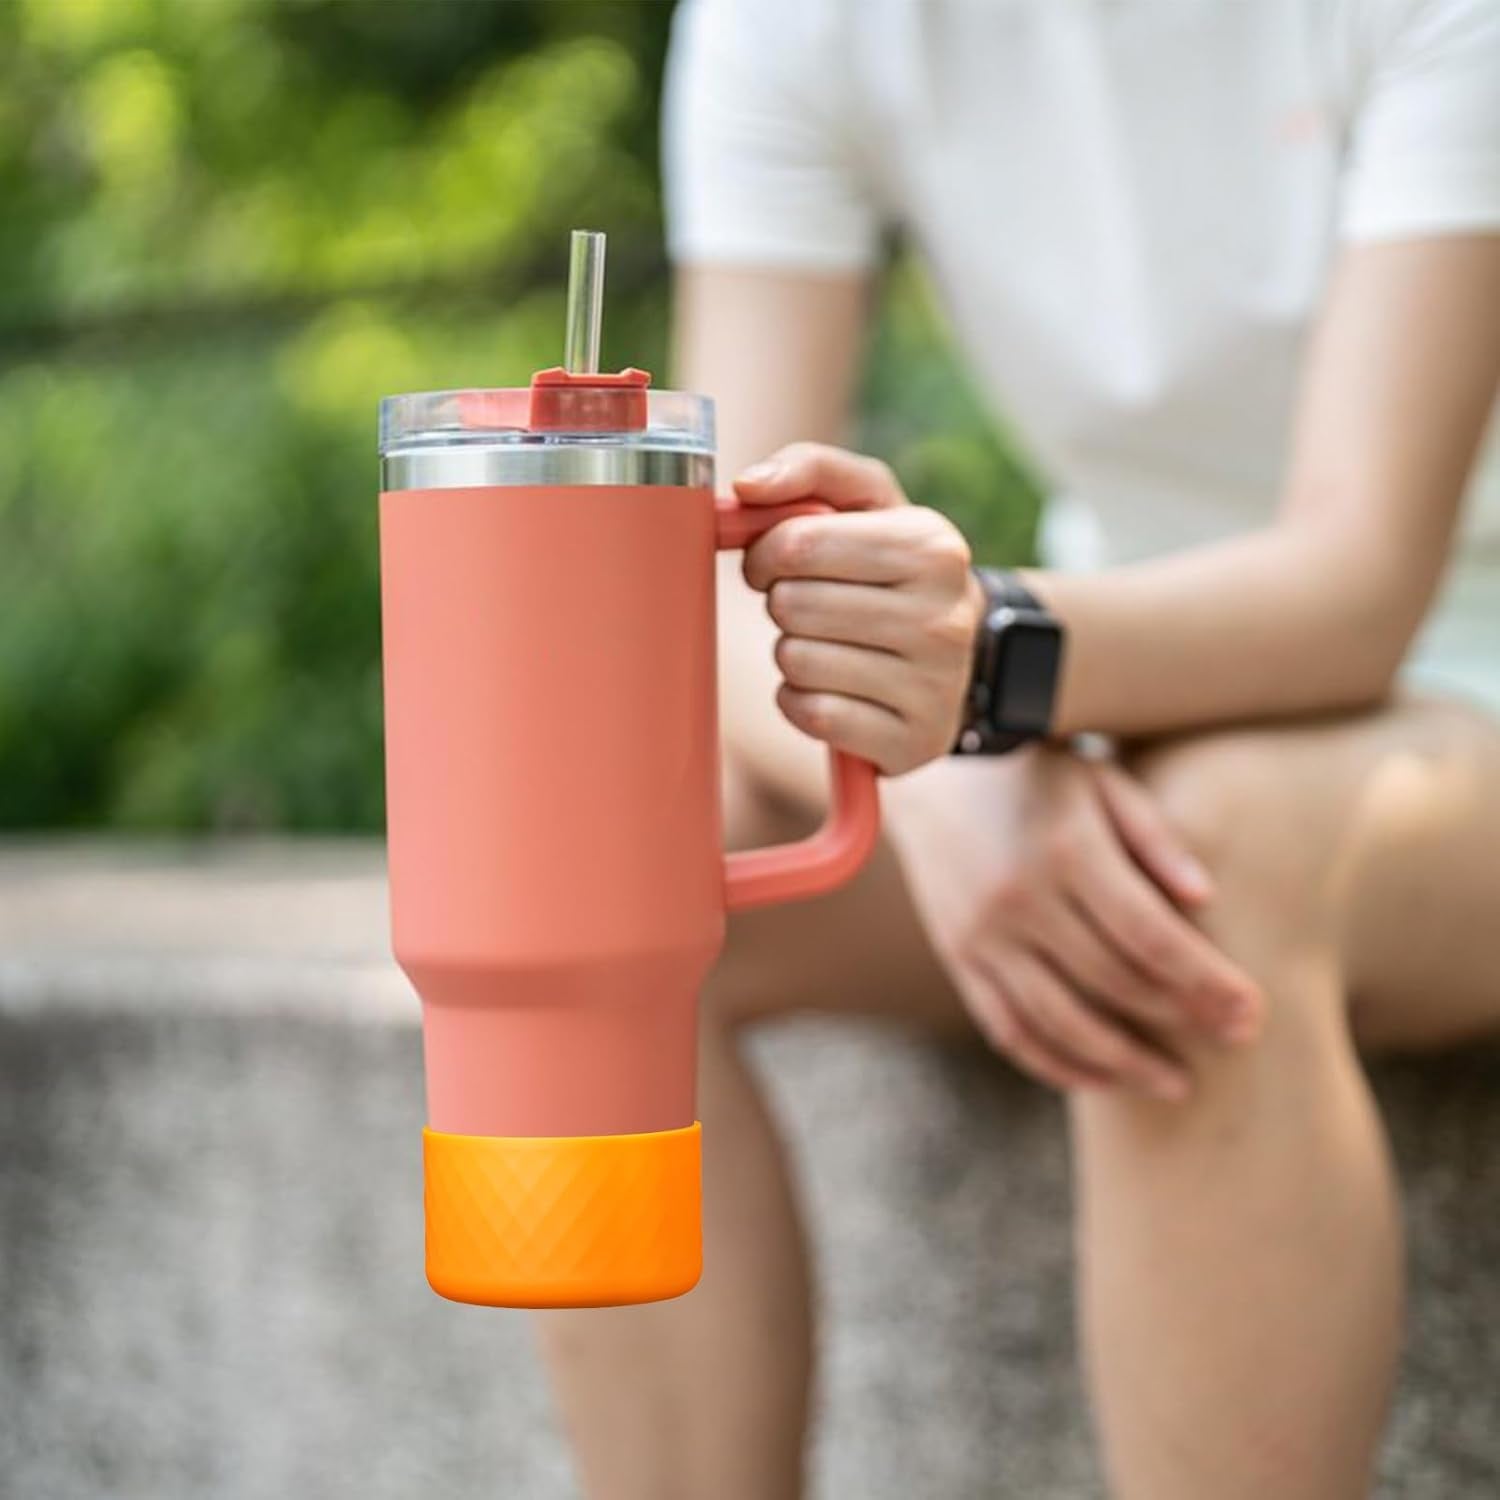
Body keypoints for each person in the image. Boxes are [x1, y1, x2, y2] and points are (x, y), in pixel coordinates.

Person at [537, 3, 1500, 1497]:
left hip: (1451, 681)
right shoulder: (787, 26)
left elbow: (1360, 585)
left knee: (1191, 874)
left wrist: (985, 664)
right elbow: (702, 585)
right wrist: (938, 769)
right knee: (584, 869)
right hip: (1110, 691)